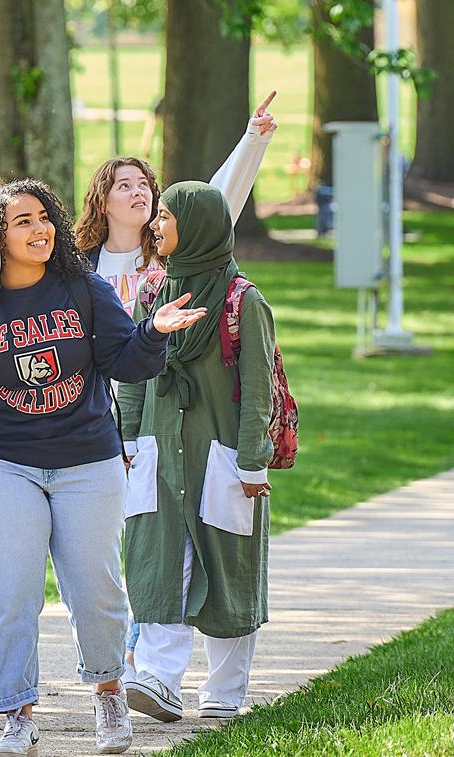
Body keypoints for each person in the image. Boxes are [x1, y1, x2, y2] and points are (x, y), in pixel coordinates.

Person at [0, 179, 208, 757]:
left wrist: (153, 332)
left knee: (97, 589)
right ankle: (16, 713)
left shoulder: (82, 288)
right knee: (9, 593)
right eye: (22, 222)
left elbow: (125, 364)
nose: (39, 230)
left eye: (44, 218)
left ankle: (108, 692)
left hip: (87, 460)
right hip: (6, 465)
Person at [117, 182, 279, 724]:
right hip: (159, 456)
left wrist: (251, 461)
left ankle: (224, 693)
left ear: (199, 227)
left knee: (226, 567)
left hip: (223, 460)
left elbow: (260, 389)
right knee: (159, 563)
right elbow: (135, 372)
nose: (155, 225)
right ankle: (159, 681)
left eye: (165, 216)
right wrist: (128, 440)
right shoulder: (154, 290)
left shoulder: (242, 300)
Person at [76, 93, 280, 314]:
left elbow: (216, 203)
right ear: (103, 204)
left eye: (143, 184)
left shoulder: (172, 250)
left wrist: (253, 140)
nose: (138, 192)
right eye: (125, 186)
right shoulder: (83, 265)